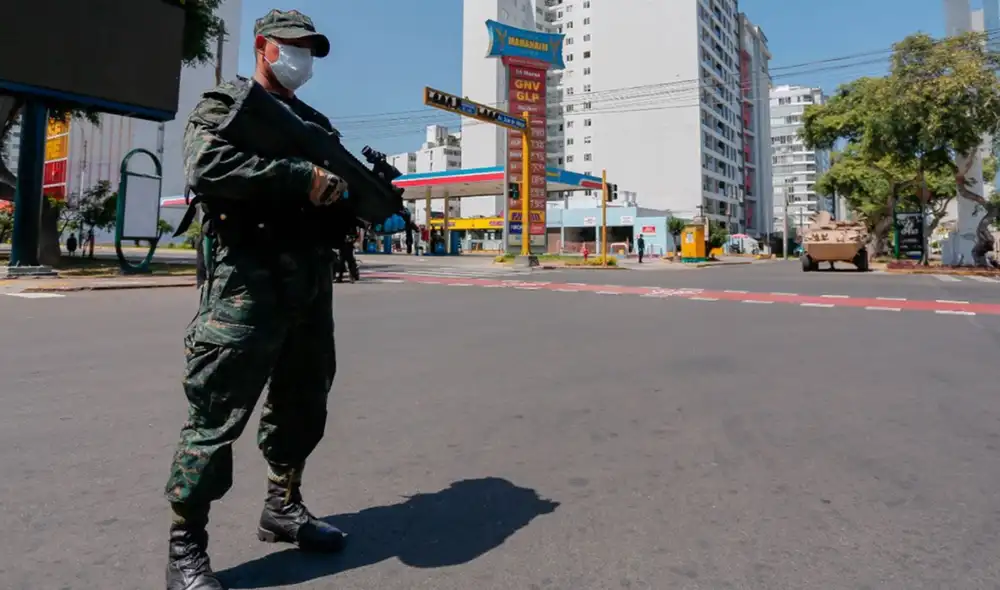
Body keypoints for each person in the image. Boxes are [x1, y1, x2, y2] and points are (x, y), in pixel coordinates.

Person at [163, 10, 366, 590]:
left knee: (304, 399)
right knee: (216, 411)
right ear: (263, 46)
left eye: (311, 50)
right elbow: (207, 165)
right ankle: (185, 545)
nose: (303, 58)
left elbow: (334, 191)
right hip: (244, 284)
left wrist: (353, 204)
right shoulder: (225, 105)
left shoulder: (316, 124)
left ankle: (284, 506)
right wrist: (297, 177)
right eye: (294, 46)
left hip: (308, 282)